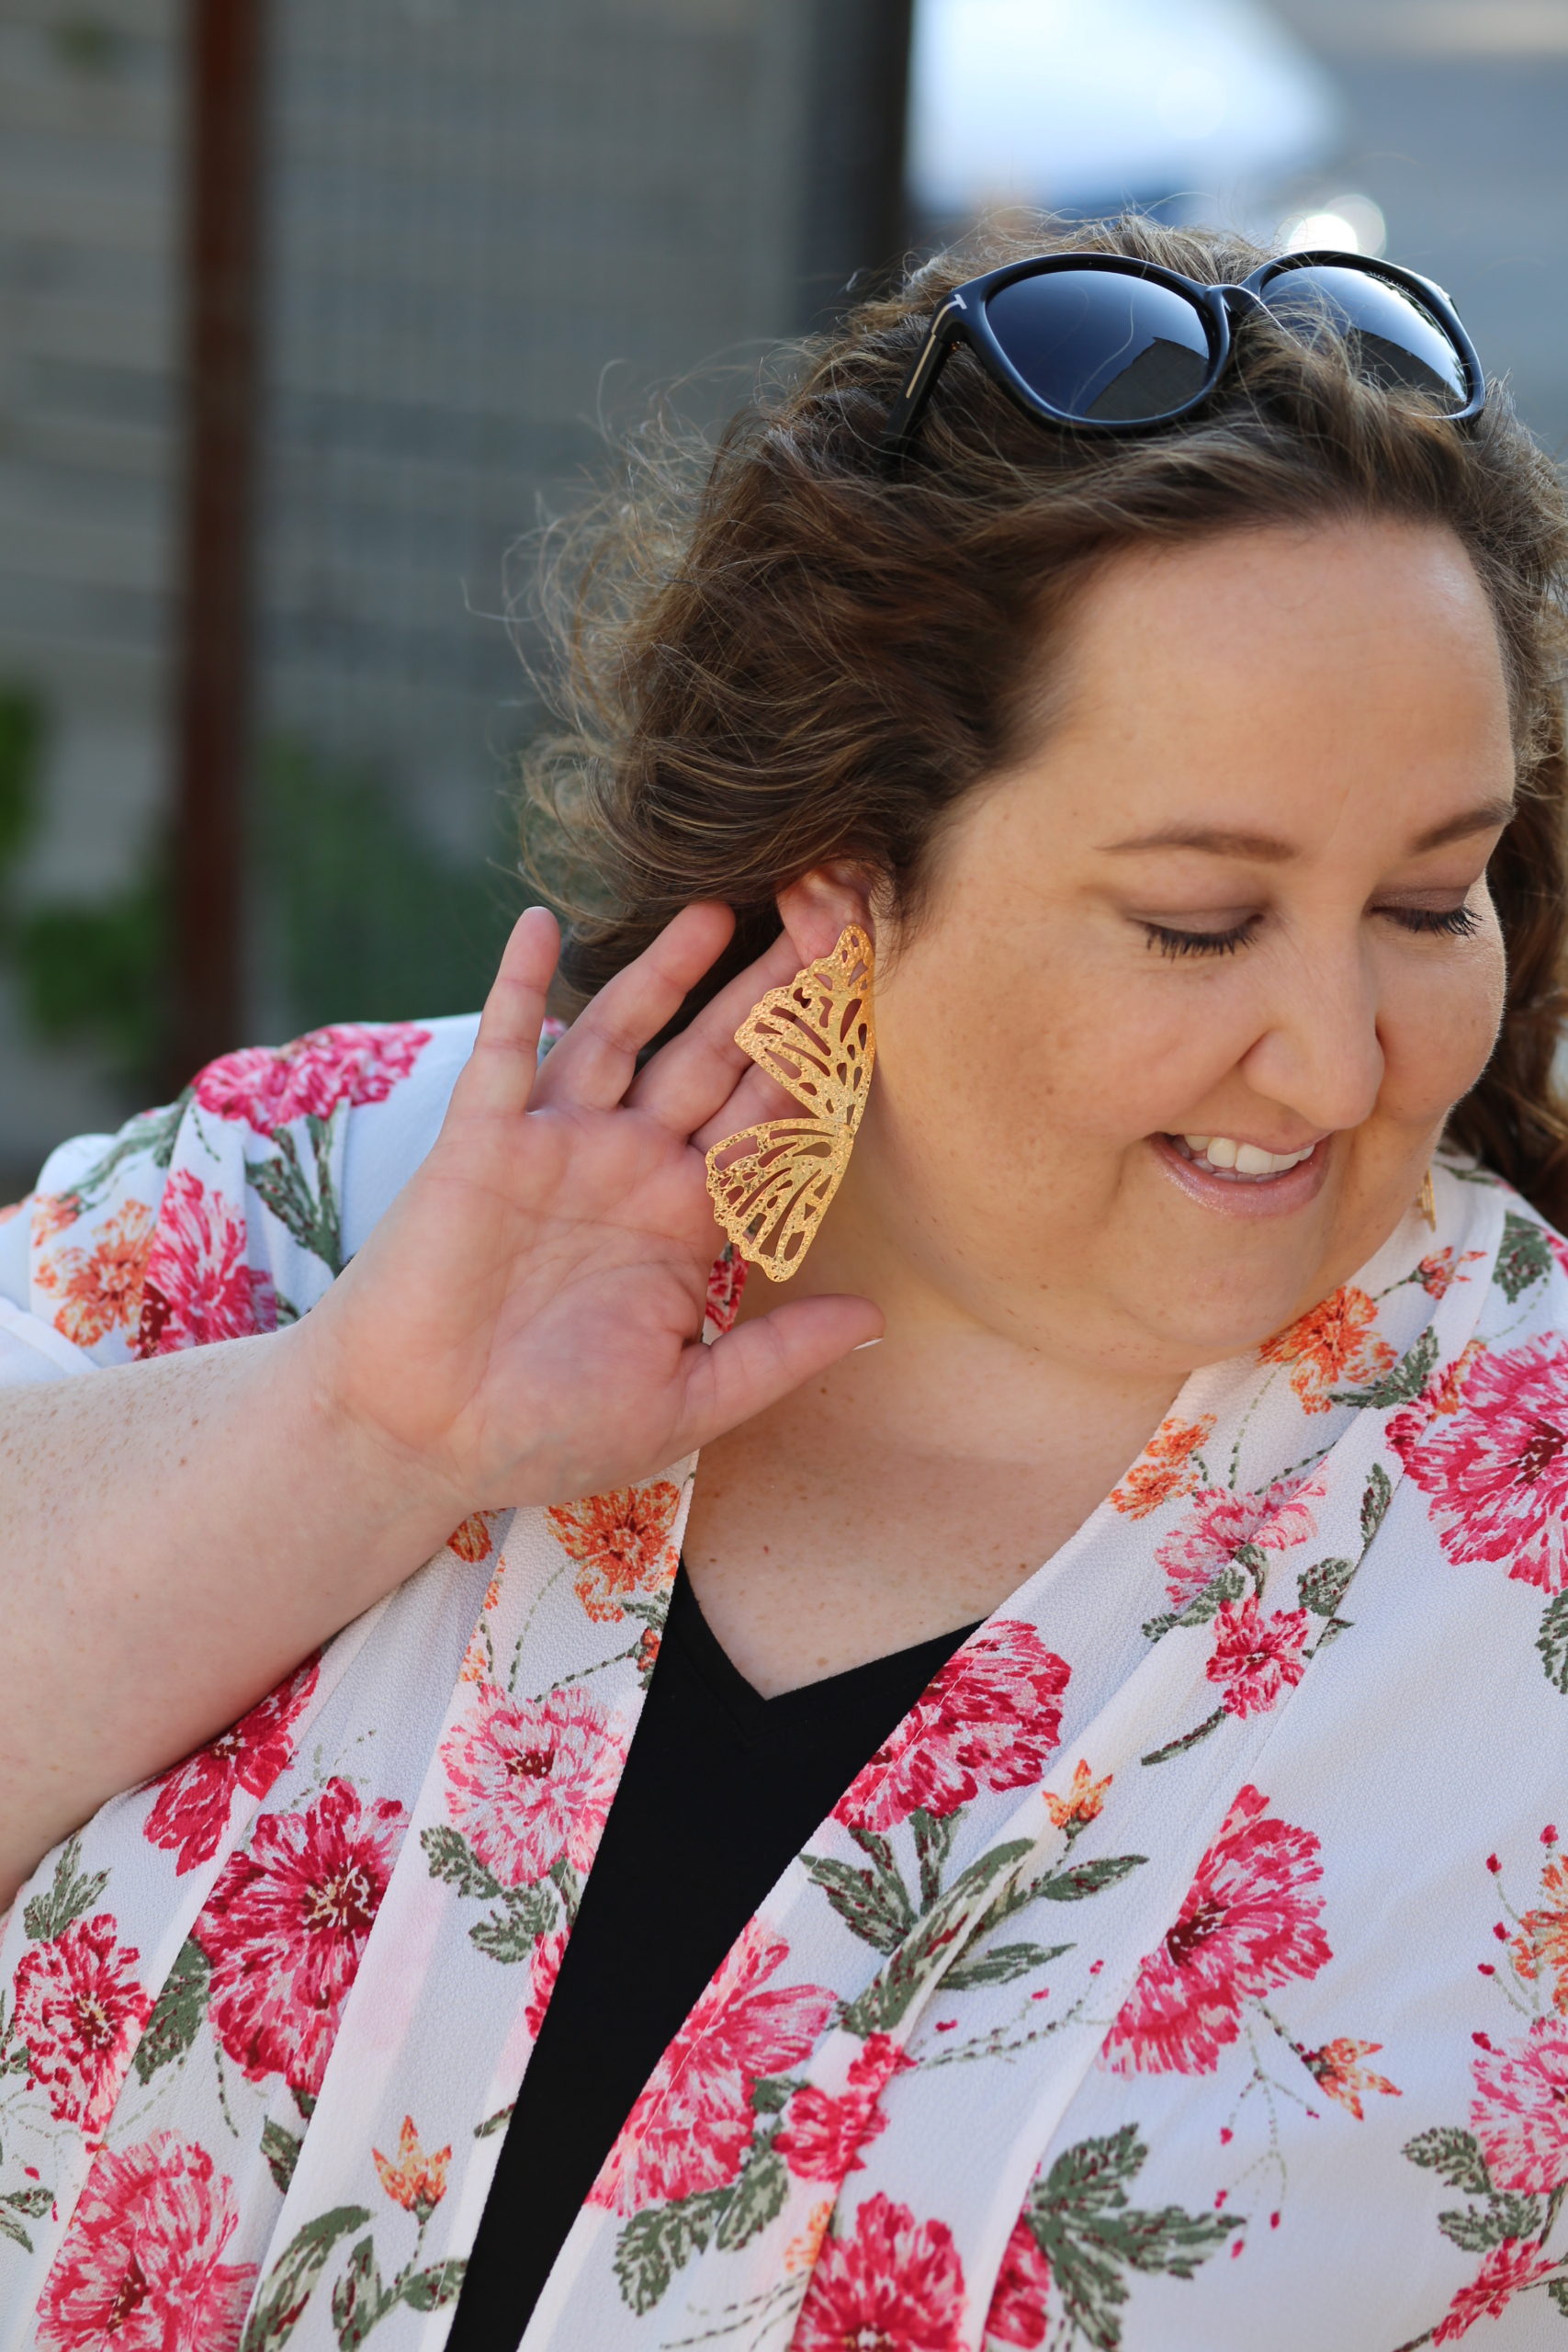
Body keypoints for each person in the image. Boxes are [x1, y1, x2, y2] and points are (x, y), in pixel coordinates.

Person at [2, 211, 1567, 2352]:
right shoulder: (320, 1194)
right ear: (847, 871)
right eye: (1197, 921)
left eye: (1426, 896)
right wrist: (360, 1427)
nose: (1334, 1053)